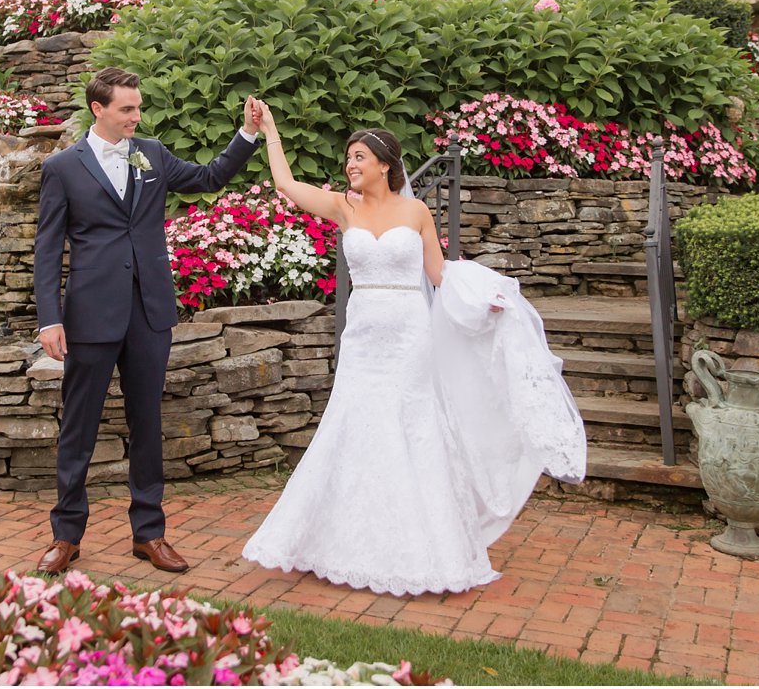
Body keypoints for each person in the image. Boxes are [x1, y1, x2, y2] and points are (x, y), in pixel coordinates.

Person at [241, 102, 586, 596]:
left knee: (412, 429)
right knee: (356, 426)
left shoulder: (416, 210)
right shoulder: (344, 207)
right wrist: (270, 131)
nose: (350, 165)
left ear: (385, 163)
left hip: (409, 336)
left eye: (359, 157)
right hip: (363, 336)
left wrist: (483, 303)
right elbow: (286, 186)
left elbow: (440, 276)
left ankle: (424, 546)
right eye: (347, 158)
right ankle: (343, 542)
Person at [32, 67, 262, 576]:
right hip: (90, 315)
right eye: (127, 109)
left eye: (138, 107)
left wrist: (246, 134)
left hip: (150, 312)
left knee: (148, 425)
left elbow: (208, 178)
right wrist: (50, 318)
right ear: (99, 109)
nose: (137, 116)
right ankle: (66, 537)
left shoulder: (152, 154)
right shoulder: (63, 167)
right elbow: (47, 248)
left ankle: (150, 535)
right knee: (78, 428)